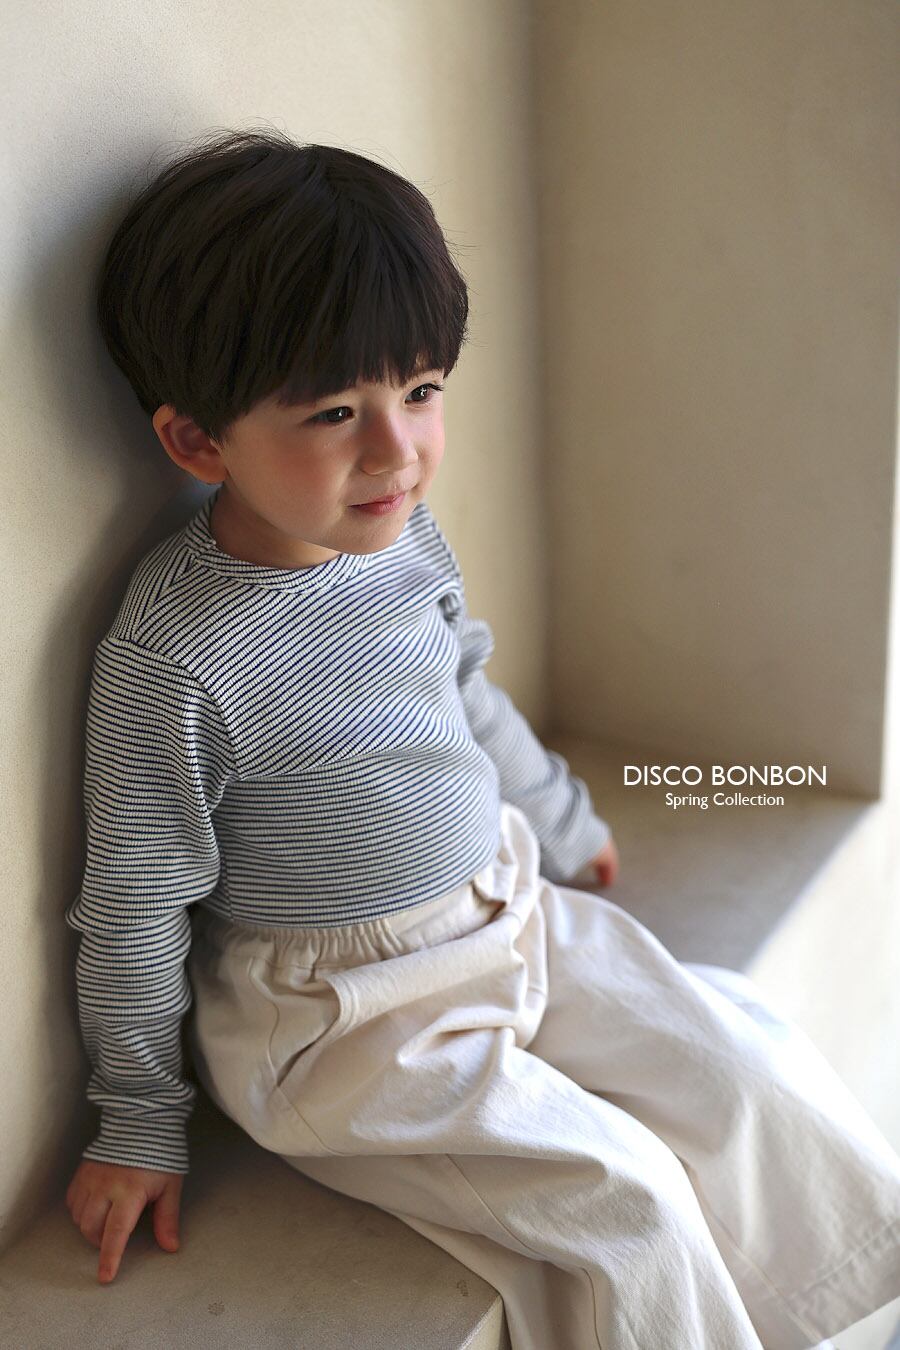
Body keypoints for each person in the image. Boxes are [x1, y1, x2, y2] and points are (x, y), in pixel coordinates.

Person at [64, 126, 899, 1350]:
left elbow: (463, 695)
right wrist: (136, 1117)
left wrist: (559, 820)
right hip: (347, 1022)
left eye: (420, 392)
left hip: (502, 909)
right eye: (336, 412)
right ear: (197, 442)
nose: (396, 451)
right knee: (627, 1204)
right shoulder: (176, 657)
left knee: (740, 1063)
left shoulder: (404, 540)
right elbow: (135, 906)